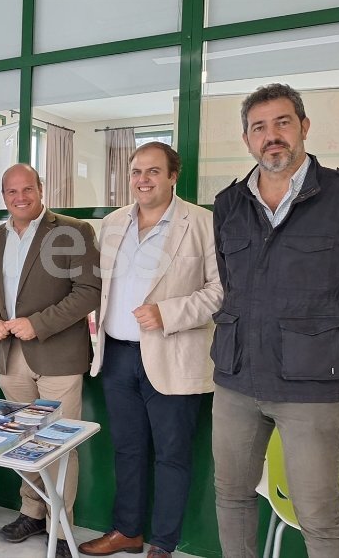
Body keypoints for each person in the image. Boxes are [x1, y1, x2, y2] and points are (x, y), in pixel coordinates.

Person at [211, 83, 339, 558]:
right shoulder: (228, 204)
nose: (272, 136)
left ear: (304, 127)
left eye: (282, 123)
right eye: (259, 127)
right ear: (246, 139)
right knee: (232, 497)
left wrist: (330, 344)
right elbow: (232, 284)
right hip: (236, 377)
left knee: (319, 515)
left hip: (313, 386)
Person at [78, 143, 223, 558]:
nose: (143, 179)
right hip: (118, 355)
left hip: (173, 354)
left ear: (173, 175)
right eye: (137, 171)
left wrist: (169, 312)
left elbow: (221, 290)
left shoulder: (202, 223)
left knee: (172, 455)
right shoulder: (112, 223)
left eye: (153, 171)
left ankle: (162, 541)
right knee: (127, 449)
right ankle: (127, 531)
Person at [0, 163, 101, 558]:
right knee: (21, 441)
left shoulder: (73, 231)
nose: (20, 197)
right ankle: (31, 512)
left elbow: (88, 291)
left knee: (59, 444)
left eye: (27, 189)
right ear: (3, 197)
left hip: (58, 355)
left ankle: (60, 529)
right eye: (12, 192)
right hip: (11, 356)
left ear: (40, 189)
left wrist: (38, 324)